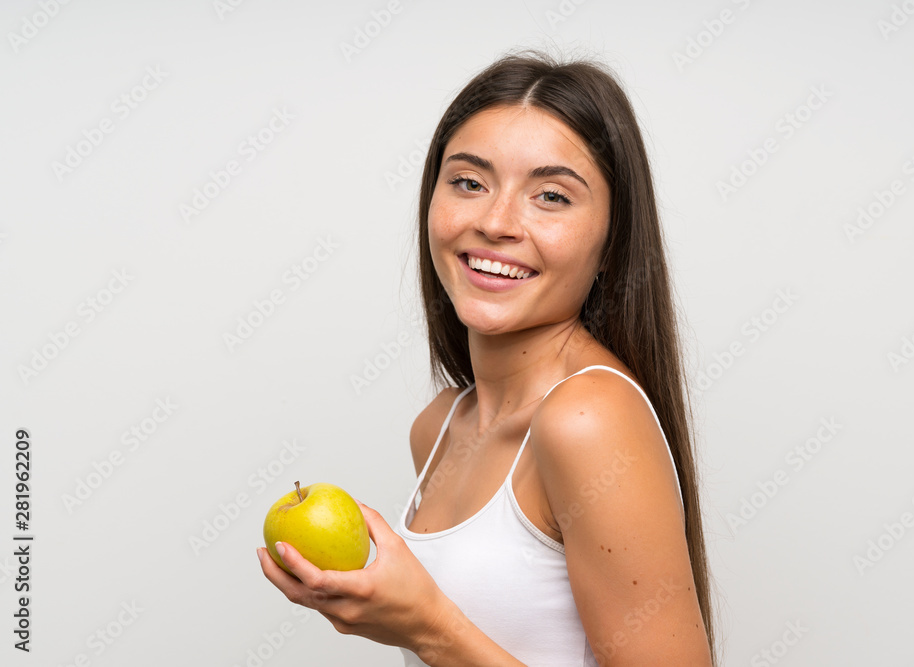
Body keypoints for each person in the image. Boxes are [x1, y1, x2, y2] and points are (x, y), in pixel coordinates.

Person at [257, 47, 718, 666]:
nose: (497, 222)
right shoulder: (442, 426)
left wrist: (427, 626)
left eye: (551, 196)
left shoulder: (588, 419)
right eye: (469, 182)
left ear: (612, 241)